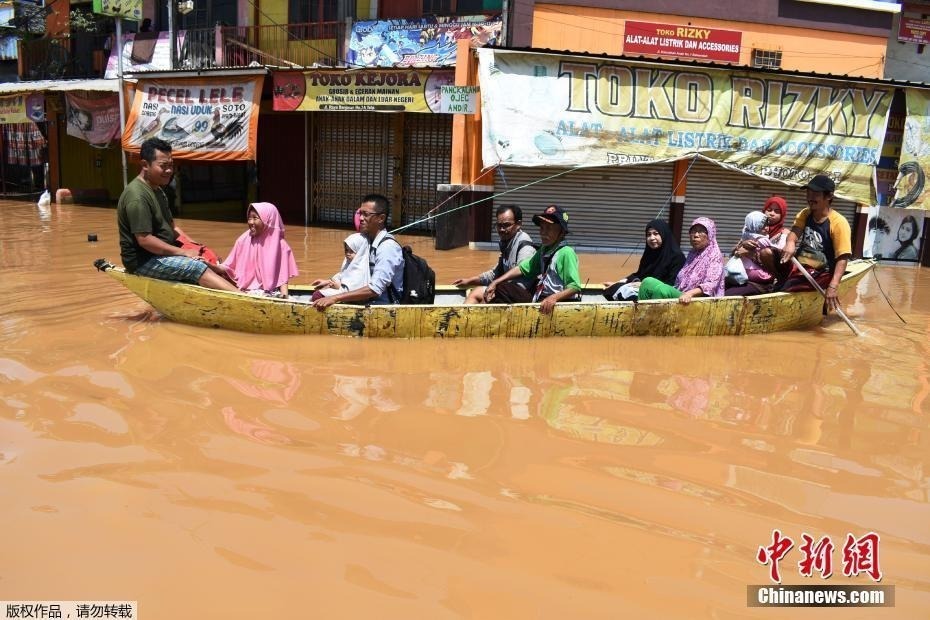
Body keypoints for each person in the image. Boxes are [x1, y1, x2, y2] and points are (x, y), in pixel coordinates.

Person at [116, 137, 237, 291]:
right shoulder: (137, 197)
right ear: (145, 165)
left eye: (171, 165)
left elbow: (173, 228)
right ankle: (246, 299)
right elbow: (145, 240)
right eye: (163, 166)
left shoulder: (158, 190)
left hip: (163, 253)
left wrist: (196, 247)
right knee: (195, 267)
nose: (169, 171)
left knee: (209, 259)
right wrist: (184, 252)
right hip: (144, 260)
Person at [484, 204, 583, 314]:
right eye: (542, 227)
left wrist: (554, 298)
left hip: (558, 304)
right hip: (540, 299)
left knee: (503, 289)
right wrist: (495, 282)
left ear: (562, 233)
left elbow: (574, 287)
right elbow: (522, 268)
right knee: (501, 288)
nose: (543, 232)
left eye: (549, 228)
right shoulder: (544, 250)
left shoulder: (566, 252)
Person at [312, 194, 403, 310]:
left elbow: (375, 288)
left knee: (324, 299)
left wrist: (335, 298)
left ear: (381, 218)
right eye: (360, 213)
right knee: (319, 295)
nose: (360, 218)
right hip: (368, 301)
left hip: (383, 306)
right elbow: (355, 271)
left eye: (366, 214)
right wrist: (330, 282)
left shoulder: (387, 247)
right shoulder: (367, 241)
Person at [779, 174, 852, 313]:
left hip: (822, 272)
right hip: (802, 265)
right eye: (808, 193)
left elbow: (843, 258)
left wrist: (833, 286)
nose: (810, 197)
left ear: (829, 197)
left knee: (789, 287)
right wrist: (790, 243)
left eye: (816, 194)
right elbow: (794, 233)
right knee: (769, 254)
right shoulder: (805, 214)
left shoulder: (839, 223)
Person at [452, 204, 536, 304]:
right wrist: (469, 281)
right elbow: (495, 273)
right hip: (506, 289)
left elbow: (522, 269)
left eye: (506, 225)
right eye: (499, 225)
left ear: (518, 224)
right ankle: (462, 319)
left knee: (487, 298)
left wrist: (496, 283)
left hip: (522, 293)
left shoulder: (524, 244)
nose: (501, 229)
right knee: (475, 292)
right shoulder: (506, 243)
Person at [638, 217, 725, 304]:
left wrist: (689, 293)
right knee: (647, 282)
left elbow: (711, 284)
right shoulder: (693, 254)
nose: (696, 235)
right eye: (693, 231)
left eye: (701, 231)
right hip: (681, 294)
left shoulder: (714, 256)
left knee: (659, 289)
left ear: (710, 234)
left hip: (699, 300)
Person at [221, 202, 299, 297]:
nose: (250, 222)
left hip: (268, 293)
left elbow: (283, 278)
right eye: (249, 218)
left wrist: (284, 296)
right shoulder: (243, 240)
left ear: (268, 220)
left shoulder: (281, 245)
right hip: (242, 291)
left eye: (255, 218)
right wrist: (210, 266)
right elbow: (228, 267)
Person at [603, 219, 684, 301]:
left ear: (664, 234)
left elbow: (672, 284)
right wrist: (619, 283)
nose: (652, 238)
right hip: (641, 288)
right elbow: (639, 274)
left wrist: (643, 285)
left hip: (660, 294)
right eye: (649, 235)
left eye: (656, 234)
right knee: (611, 290)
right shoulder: (649, 254)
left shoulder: (676, 257)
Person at [725, 211, 777, 296]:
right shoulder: (745, 237)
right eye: (763, 226)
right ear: (753, 225)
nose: (767, 228)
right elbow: (735, 252)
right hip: (743, 278)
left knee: (728, 295)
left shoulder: (762, 240)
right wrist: (740, 247)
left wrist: (746, 252)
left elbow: (764, 256)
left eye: (767, 225)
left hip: (759, 282)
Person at [311, 232, 370, 299]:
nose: (348, 254)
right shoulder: (348, 264)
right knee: (320, 289)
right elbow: (341, 276)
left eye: (352, 251)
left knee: (317, 295)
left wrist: (338, 286)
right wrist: (328, 282)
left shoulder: (360, 270)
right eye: (346, 250)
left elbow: (354, 291)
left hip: (350, 296)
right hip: (342, 290)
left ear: (360, 252)